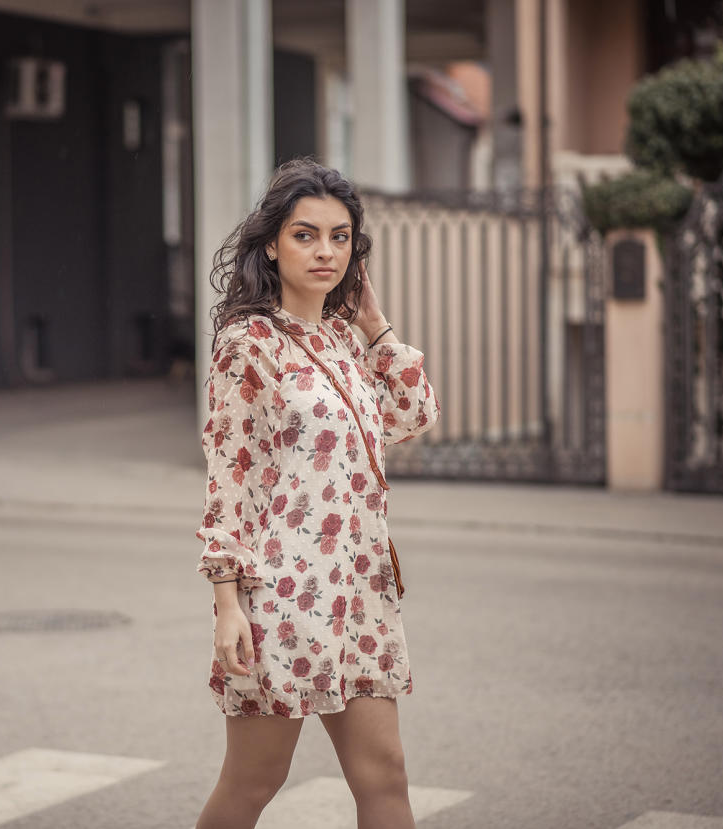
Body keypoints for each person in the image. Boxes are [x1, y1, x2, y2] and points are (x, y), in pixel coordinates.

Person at [193, 158, 441, 829]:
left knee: (385, 775)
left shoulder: (339, 338)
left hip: (361, 591)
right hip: (285, 597)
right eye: (306, 234)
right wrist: (226, 602)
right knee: (252, 783)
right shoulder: (248, 345)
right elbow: (228, 478)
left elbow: (413, 414)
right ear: (272, 242)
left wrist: (375, 324)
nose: (325, 250)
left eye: (340, 236)